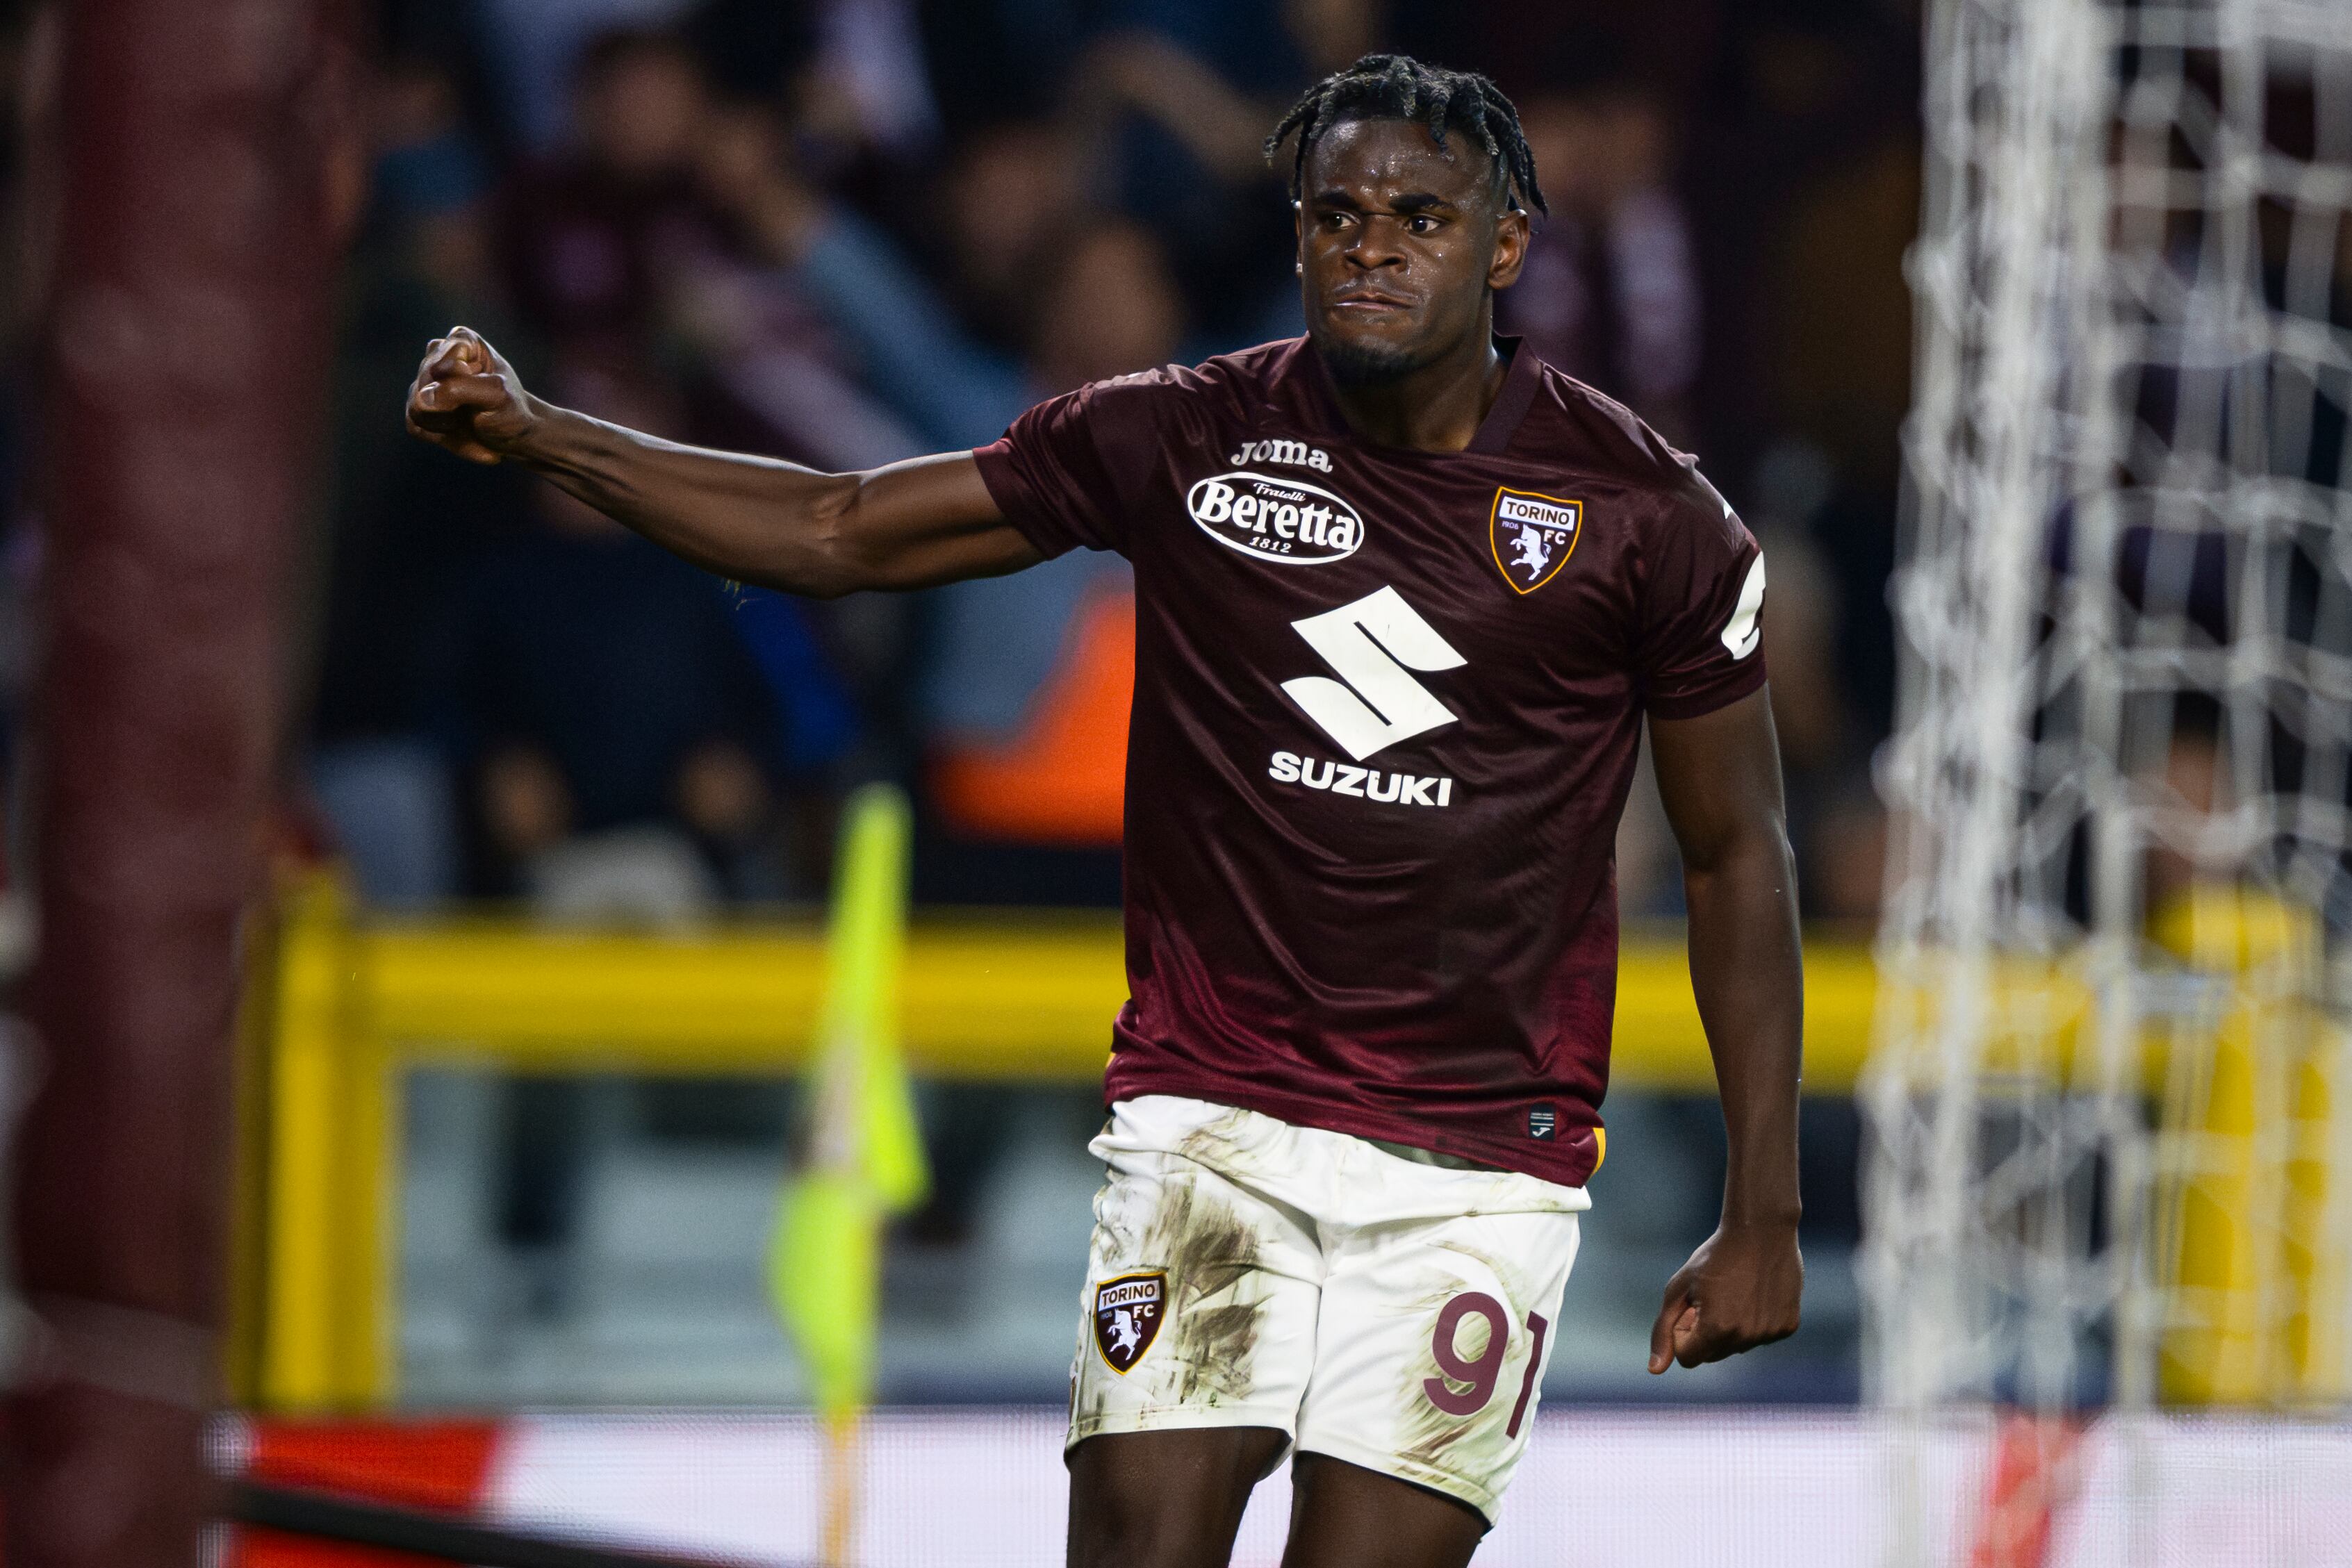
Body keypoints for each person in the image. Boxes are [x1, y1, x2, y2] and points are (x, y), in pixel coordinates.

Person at [406, 53, 1804, 1568]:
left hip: (1479, 1171)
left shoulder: (1649, 519)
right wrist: (549, 433)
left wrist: (1764, 1211)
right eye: (1336, 214)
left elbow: (1738, 856)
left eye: (1418, 215)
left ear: (1506, 248)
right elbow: (840, 524)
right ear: (1295, 239)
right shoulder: (1178, 435)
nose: (1372, 247)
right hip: (1214, 1122)